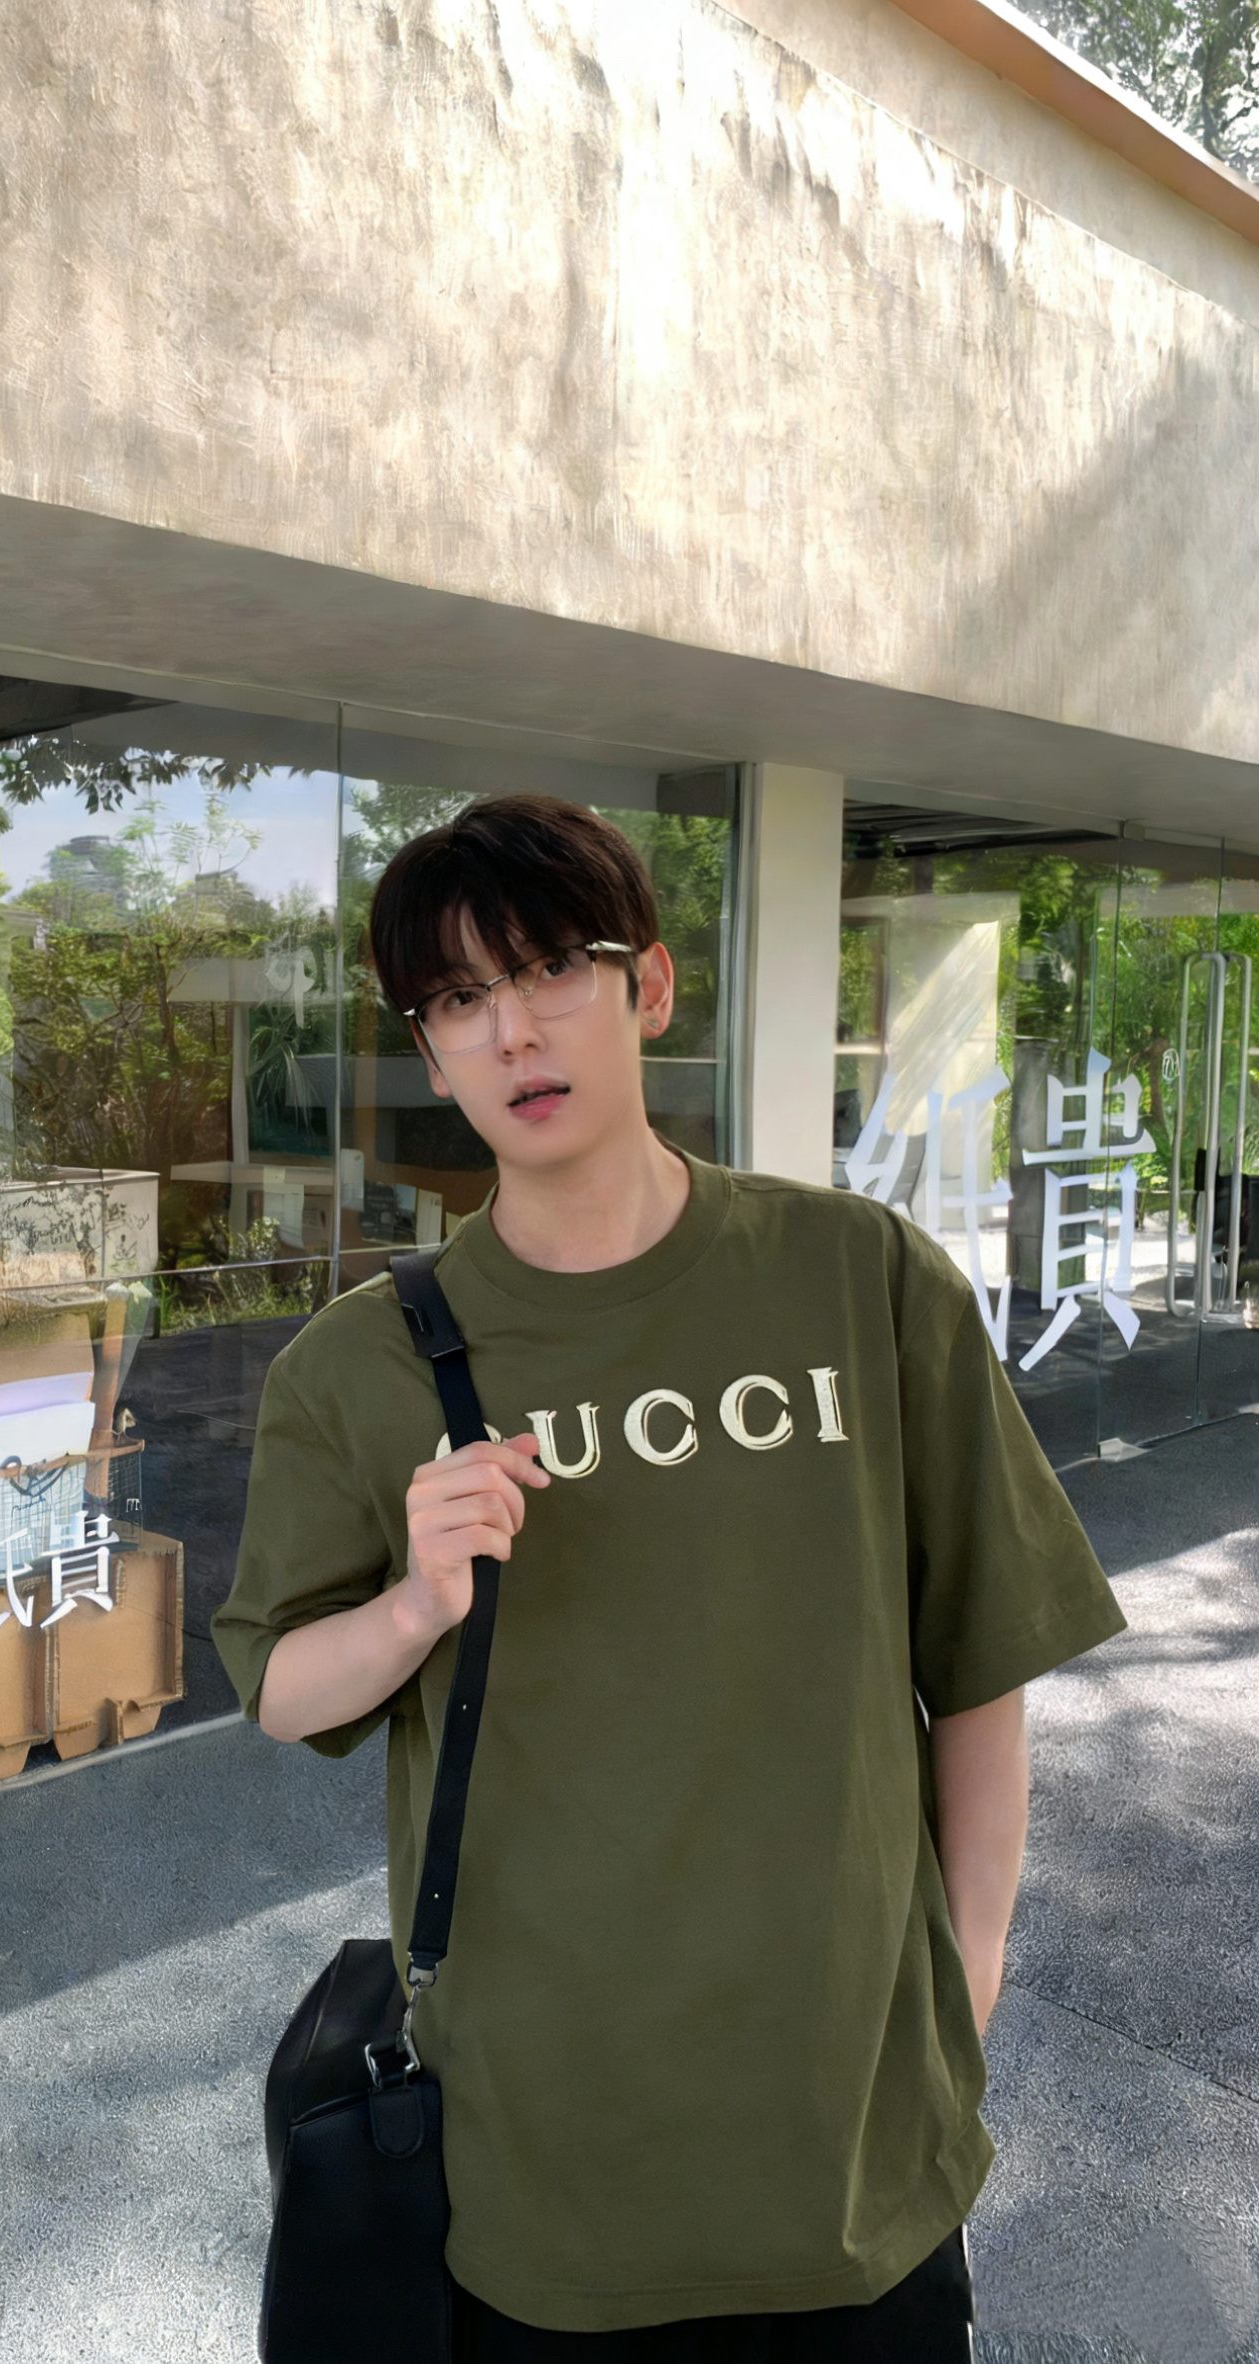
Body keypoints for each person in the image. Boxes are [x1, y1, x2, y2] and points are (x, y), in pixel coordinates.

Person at [211, 792, 1128, 2358]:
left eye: (545, 971)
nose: (511, 1032)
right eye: (457, 999)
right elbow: (284, 1691)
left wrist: (962, 1995)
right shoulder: (358, 1369)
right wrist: (415, 1604)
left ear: (645, 985)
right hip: (543, 2154)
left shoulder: (856, 1277)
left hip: (851, 2146)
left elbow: (980, 1660)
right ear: (429, 1051)